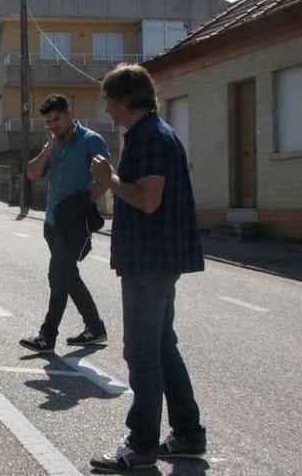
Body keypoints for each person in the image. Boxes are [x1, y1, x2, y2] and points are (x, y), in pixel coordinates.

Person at [88, 64, 206, 472]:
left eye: (109, 101)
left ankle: (140, 446)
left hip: (150, 261)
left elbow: (149, 199)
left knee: (141, 352)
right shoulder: (151, 134)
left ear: (123, 102)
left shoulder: (151, 138)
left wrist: (110, 179)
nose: (107, 109)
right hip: (156, 259)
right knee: (160, 347)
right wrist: (115, 179)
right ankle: (188, 434)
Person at [19, 93, 110, 353]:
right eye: (49, 122)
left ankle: (47, 335)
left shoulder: (91, 141)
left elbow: (106, 178)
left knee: (57, 275)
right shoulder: (54, 144)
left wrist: (82, 203)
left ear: (70, 113)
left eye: (57, 119)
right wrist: (48, 147)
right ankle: (95, 327)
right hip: (51, 224)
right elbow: (31, 173)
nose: (54, 126)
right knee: (68, 276)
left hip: (75, 225)